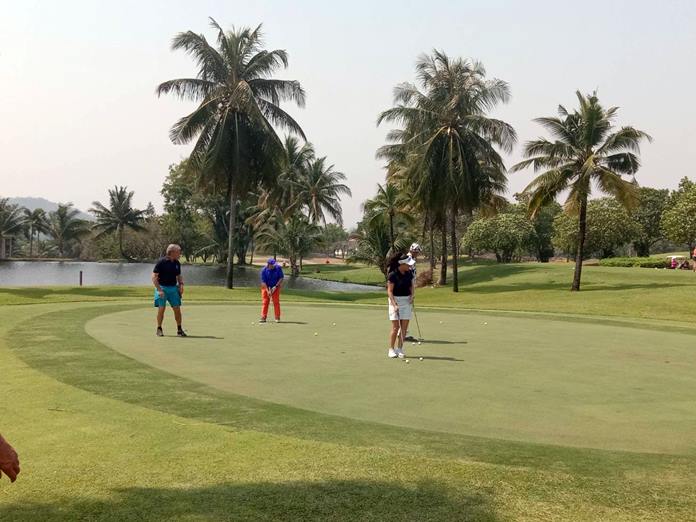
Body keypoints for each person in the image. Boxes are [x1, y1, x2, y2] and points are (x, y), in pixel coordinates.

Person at [152, 244, 186, 337]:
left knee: (177, 309)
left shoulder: (177, 263)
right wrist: (159, 290)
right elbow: (154, 277)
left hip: (173, 288)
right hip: (162, 288)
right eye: (178, 252)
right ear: (172, 252)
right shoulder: (161, 262)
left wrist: (181, 285)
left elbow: (178, 276)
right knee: (161, 309)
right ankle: (159, 328)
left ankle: (179, 330)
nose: (180, 254)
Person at [386, 253, 415, 359]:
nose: (410, 266)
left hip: (406, 300)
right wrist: (394, 305)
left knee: (404, 328)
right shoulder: (393, 275)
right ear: (402, 264)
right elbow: (389, 291)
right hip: (395, 300)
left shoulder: (409, 273)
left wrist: (412, 295)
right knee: (395, 327)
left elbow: (411, 286)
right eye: (408, 264)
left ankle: (400, 349)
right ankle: (391, 349)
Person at [403, 243, 421, 341]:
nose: (417, 254)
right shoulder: (409, 260)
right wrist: (411, 291)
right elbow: (409, 276)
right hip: (408, 287)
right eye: (417, 252)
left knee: (406, 311)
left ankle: (403, 332)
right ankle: (403, 333)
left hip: (409, 286)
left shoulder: (409, 258)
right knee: (406, 311)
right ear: (413, 251)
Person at [260, 258, 284, 323]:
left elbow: (281, 278)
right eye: (272, 265)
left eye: (274, 264)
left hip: (275, 285)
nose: (274, 266)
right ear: (268, 264)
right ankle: (263, 317)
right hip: (266, 286)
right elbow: (263, 282)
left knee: (276, 301)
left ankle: (277, 317)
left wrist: (275, 287)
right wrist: (268, 291)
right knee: (265, 301)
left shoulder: (278, 268)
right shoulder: (264, 270)